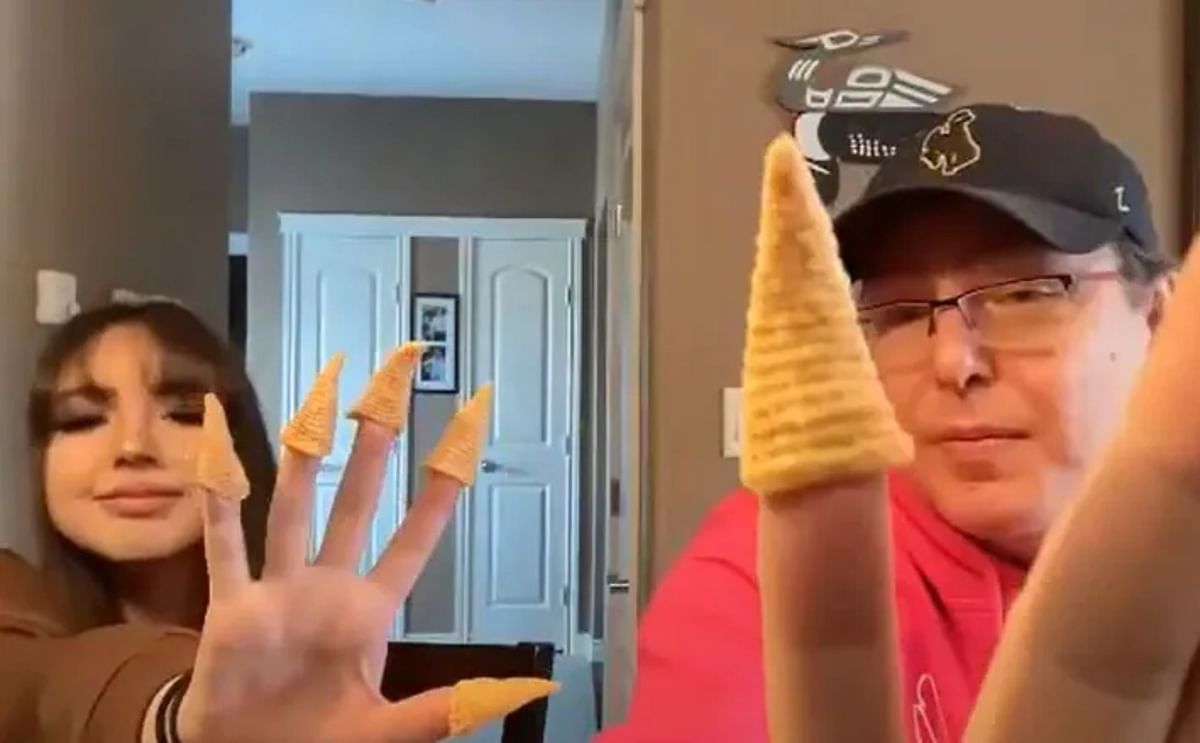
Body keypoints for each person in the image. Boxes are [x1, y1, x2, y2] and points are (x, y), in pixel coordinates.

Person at [596, 103, 1176, 743]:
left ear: (1157, 319)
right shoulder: (788, 567)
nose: (953, 362)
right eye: (899, 313)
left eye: (1025, 294)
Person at [0, 301, 546, 742]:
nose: (133, 446)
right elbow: (35, 684)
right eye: (82, 418)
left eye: (188, 413)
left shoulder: (337, 677)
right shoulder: (14, 604)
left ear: (241, 446)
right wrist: (179, 714)